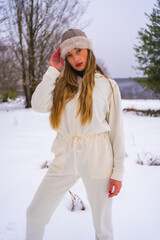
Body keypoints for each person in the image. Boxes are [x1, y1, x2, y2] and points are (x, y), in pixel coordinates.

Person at [25, 29, 125, 240]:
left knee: (103, 228)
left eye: (79, 51)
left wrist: (118, 173)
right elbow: (37, 104)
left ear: (88, 49)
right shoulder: (60, 84)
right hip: (65, 156)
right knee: (35, 214)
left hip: (98, 157)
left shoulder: (107, 85)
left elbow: (117, 131)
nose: (75, 58)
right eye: (69, 54)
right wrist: (53, 70)